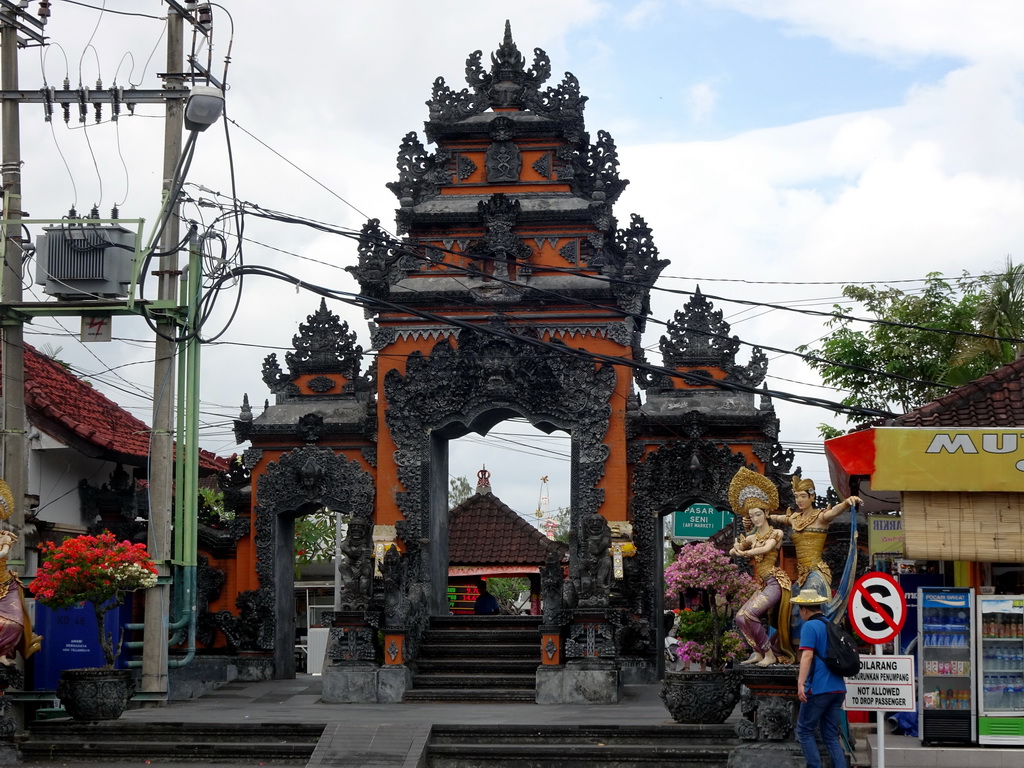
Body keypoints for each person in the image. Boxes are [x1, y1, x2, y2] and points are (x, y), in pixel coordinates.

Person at [727, 466, 794, 666]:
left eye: (758, 514)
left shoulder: (776, 533)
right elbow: (734, 550)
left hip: (776, 583)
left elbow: (766, 549)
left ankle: (770, 654)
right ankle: (758, 651)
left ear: (766, 513)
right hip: (763, 585)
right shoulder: (752, 536)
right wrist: (736, 548)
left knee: (750, 614)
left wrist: (745, 552)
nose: (755, 518)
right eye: (752, 516)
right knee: (740, 617)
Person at [793, 587, 847, 768]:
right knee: (831, 736)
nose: (799, 613)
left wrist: (801, 683)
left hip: (818, 687)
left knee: (804, 730)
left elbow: (807, 656)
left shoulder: (809, 626)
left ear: (804, 609)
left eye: (799, 609)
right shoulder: (830, 624)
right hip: (838, 687)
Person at [0, 529, 42, 663]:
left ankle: (2, 654)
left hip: (6, 585)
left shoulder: (4, 537)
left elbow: (4, 553)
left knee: (15, 623)